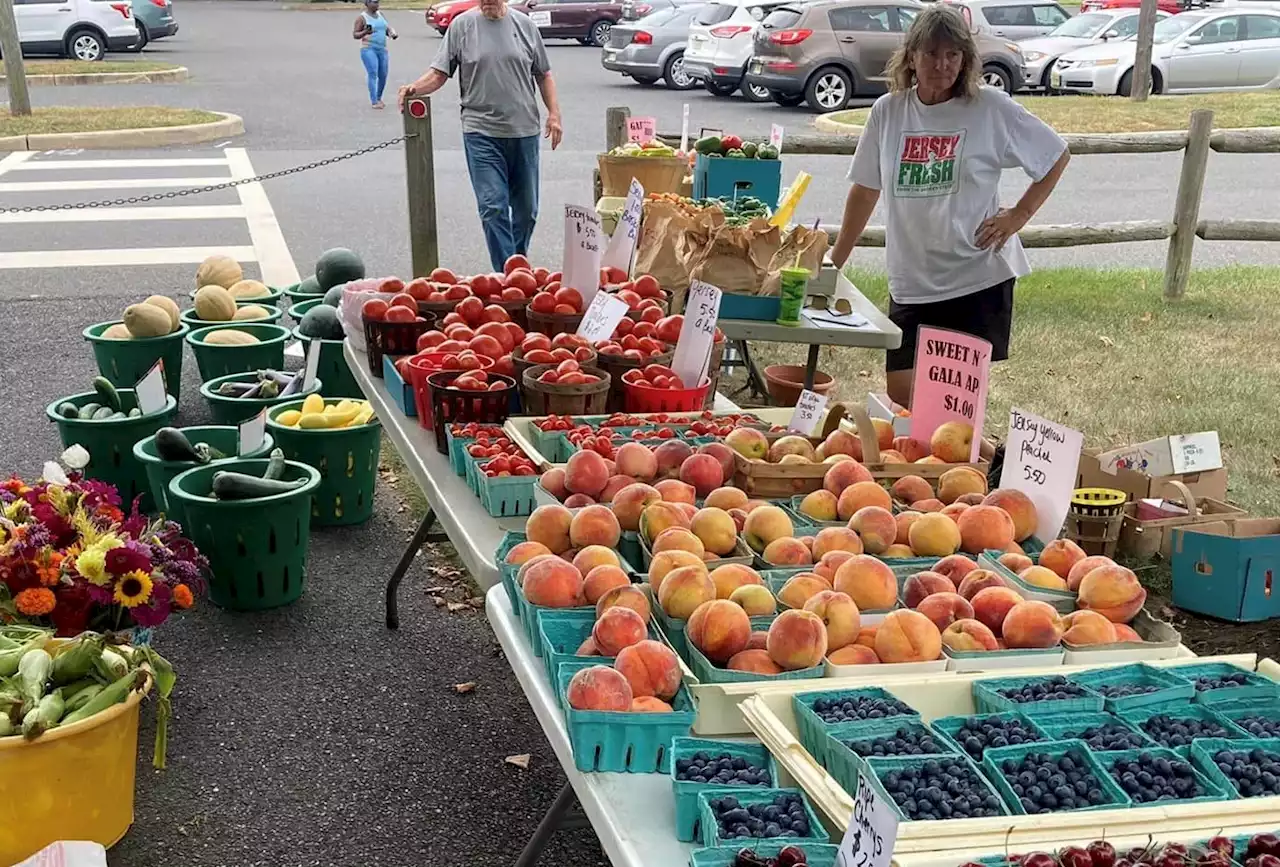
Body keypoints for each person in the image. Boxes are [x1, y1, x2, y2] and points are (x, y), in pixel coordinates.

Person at [830, 4, 1070, 409]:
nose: (942, 65)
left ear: (966, 60)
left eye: (953, 55)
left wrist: (1019, 215)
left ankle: (975, 466)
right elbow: (865, 190)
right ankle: (988, 457)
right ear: (911, 56)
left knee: (950, 402)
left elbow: (1055, 155)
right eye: (931, 53)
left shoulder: (990, 107)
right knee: (903, 392)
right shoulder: (888, 112)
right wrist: (834, 262)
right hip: (912, 279)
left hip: (975, 275)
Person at [398, 0, 563, 271]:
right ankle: (509, 275)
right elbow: (440, 73)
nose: (487, 2)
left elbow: (543, 74)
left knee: (526, 212)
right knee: (493, 207)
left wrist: (554, 114)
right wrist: (413, 89)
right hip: (481, 131)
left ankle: (516, 266)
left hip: (524, 131)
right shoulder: (462, 26)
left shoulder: (525, 26)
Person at [354, 0, 397, 109]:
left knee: (383, 74)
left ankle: (379, 97)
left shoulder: (380, 14)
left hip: (382, 49)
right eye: (374, 2)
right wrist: (364, 32)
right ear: (367, 4)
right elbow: (355, 34)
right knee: (373, 73)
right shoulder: (362, 18)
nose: (377, 5)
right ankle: (374, 101)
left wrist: (391, 33)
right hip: (368, 48)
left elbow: (386, 28)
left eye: (377, 2)